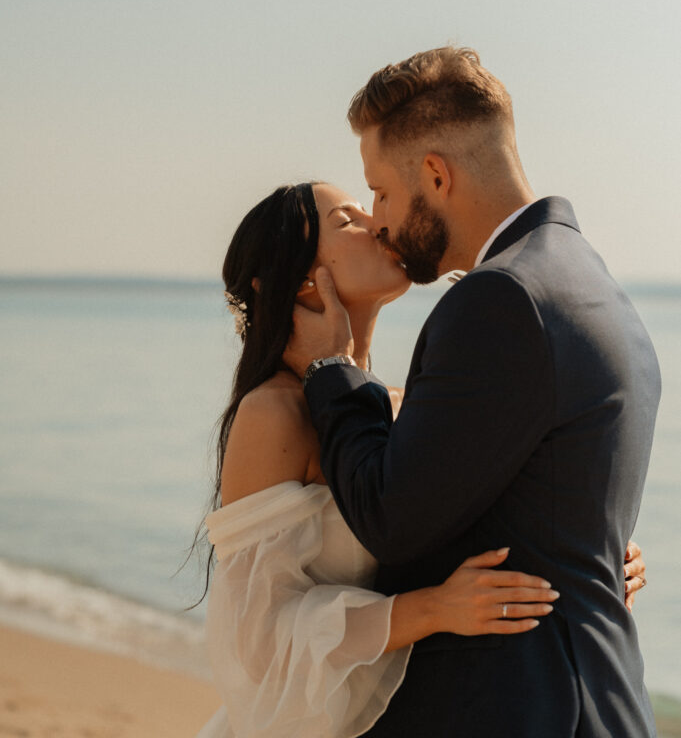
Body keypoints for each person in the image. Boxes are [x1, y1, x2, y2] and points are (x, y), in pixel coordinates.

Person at [284, 47, 660, 738]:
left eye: (383, 193)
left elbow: (392, 518)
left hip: (520, 709)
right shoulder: (590, 280)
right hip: (595, 700)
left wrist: (331, 369)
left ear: (435, 174)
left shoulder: (499, 300)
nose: (380, 221)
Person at [195, 181, 646, 738]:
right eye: (347, 220)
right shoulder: (274, 415)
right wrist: (432, 610)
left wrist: (588, 549)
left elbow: (476, 512)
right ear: (306, 278)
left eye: (370, 205)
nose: (376, 220)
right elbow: (253, 646)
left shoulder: (403, 405)